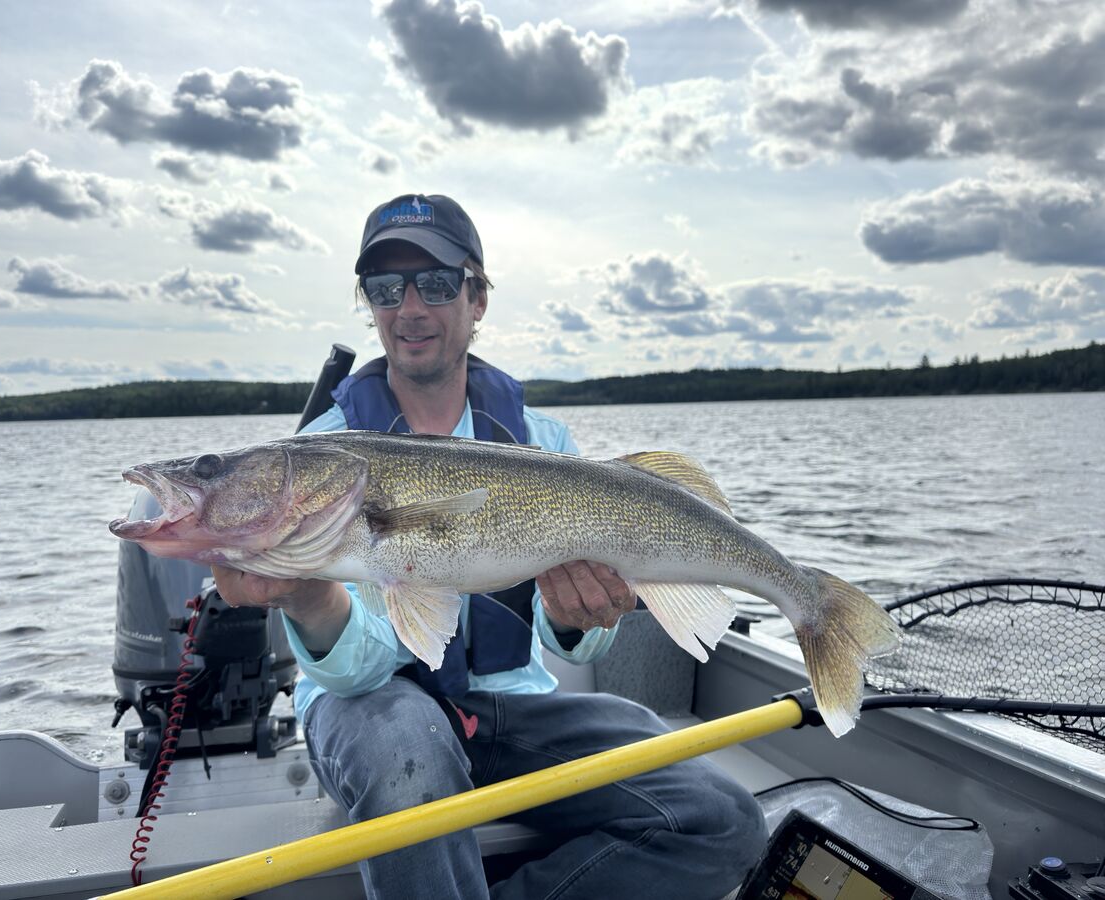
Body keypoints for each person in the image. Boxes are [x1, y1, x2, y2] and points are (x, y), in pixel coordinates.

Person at [211, 193, 767, 899]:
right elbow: (354, 676)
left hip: (511, 709)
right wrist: (309, 596)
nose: (409, 307)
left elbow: (575, 648)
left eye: (437, 283)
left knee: (723, 818)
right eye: (385, 288)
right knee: (409, 759)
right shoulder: (315, 457)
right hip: (376, 706)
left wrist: (574, 616)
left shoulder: (544, 443)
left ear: (477, 299)